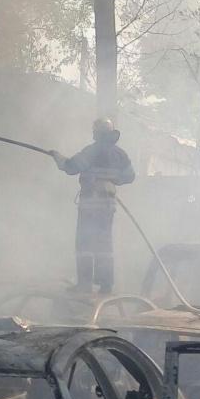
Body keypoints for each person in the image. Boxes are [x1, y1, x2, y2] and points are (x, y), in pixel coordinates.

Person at [49, 118, 135, 294]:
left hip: (90, 206)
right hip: (108, 205)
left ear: (98, 133)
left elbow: (71, 167)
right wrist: (111, 180)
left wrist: (57, 157)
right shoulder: (120, 154)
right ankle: (106, 285)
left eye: (94, 131)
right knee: (104, 245)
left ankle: (84, 284)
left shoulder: (92, 151)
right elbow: (130, 176)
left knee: (84, 244)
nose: (93, 133)